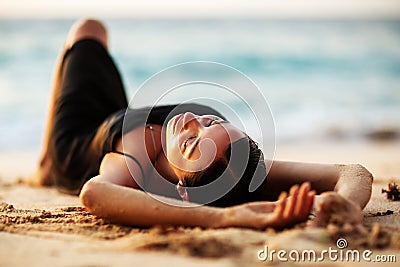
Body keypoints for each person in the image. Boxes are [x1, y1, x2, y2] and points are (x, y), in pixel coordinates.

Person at [31, 18, 373, 230]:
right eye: (212, 121)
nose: (192, 121)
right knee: (91, 32)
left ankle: (46, 162)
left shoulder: (133, 170)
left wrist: (224, 218)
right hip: (120, 113)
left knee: (86, 30)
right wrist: (346, 205)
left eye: (191, 143)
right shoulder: (244, 170)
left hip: (77, 136)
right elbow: (352, 172)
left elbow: (93, 193)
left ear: (182, 191)